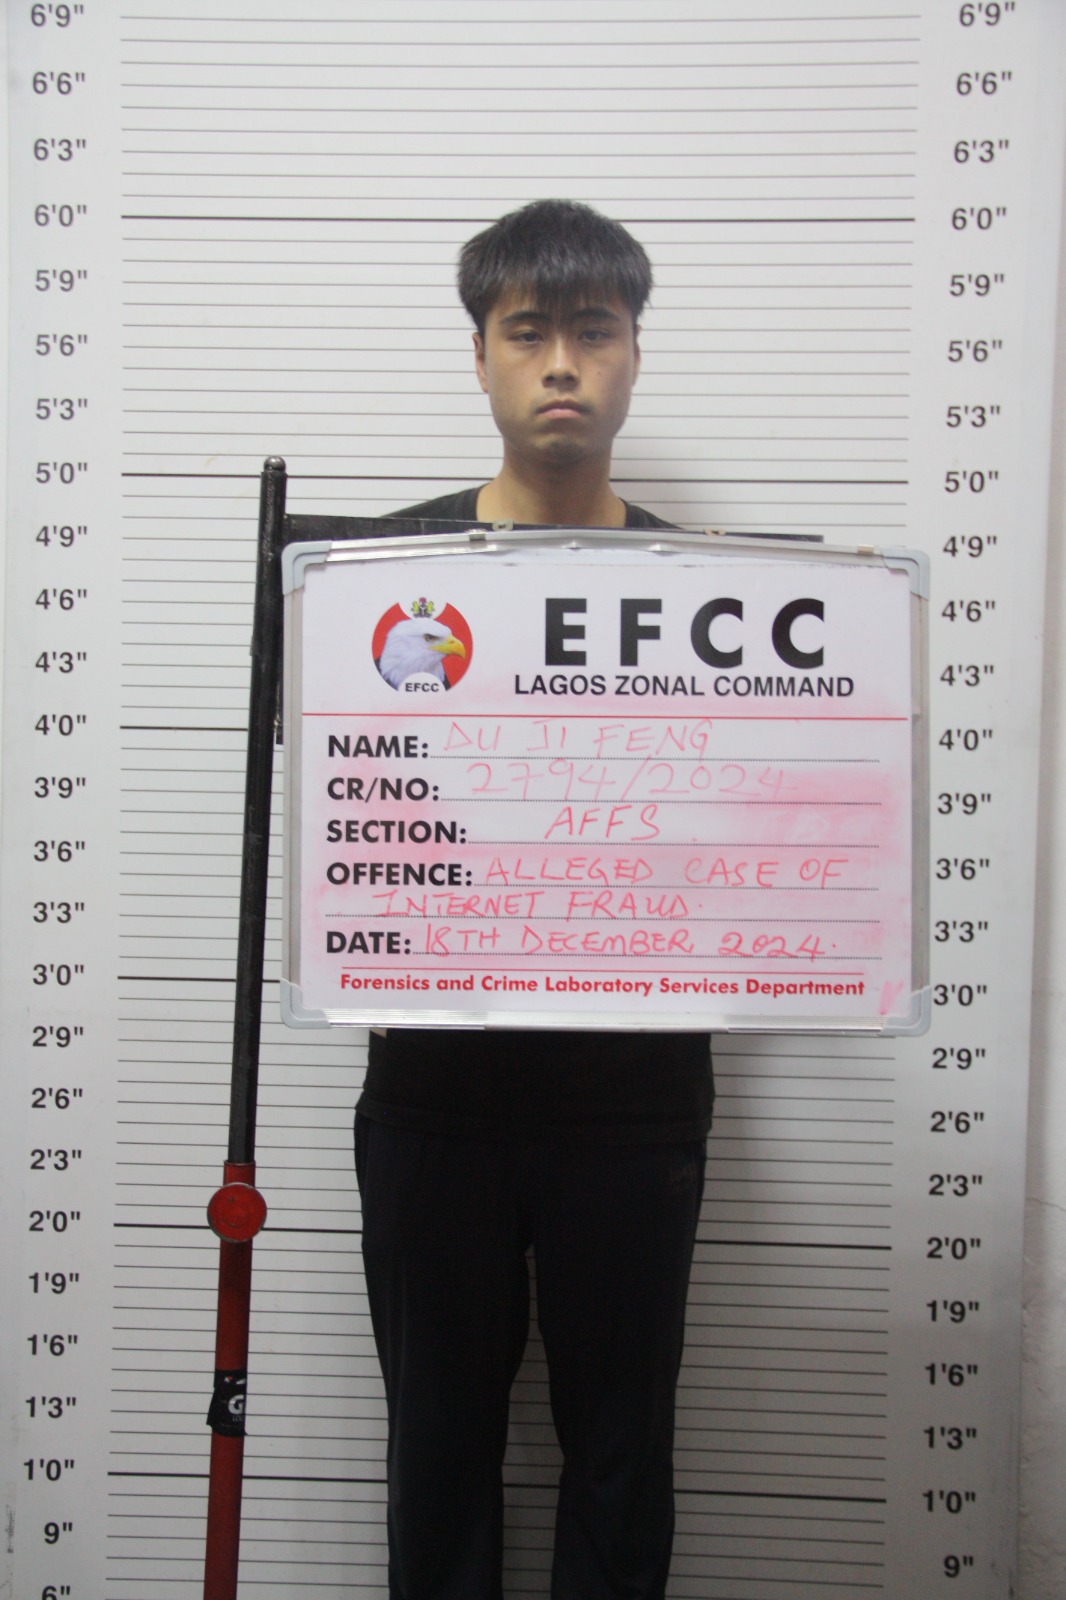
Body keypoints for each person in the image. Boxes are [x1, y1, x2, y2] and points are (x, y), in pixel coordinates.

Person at [354, 199, 714, 1600]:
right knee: (435, 1448)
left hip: (635, 1097)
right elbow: (344, 813)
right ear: (481, 356)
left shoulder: (710, 592)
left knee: (622, 1451)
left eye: (594, 331)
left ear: (634, 355)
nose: (562, 362)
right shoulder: (376, 581)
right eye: (527, 332)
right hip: (434, 1089)